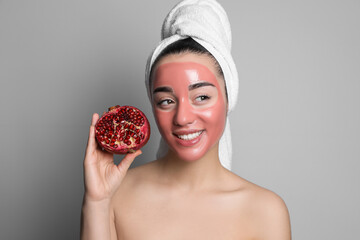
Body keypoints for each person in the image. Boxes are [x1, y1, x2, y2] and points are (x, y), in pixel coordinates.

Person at [81, 0, 291, 239]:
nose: (182, 118)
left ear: (228, 98)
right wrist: (97, 201)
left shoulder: (266, 211)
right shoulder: (116, 194)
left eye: (201, 97)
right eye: (166, 101)